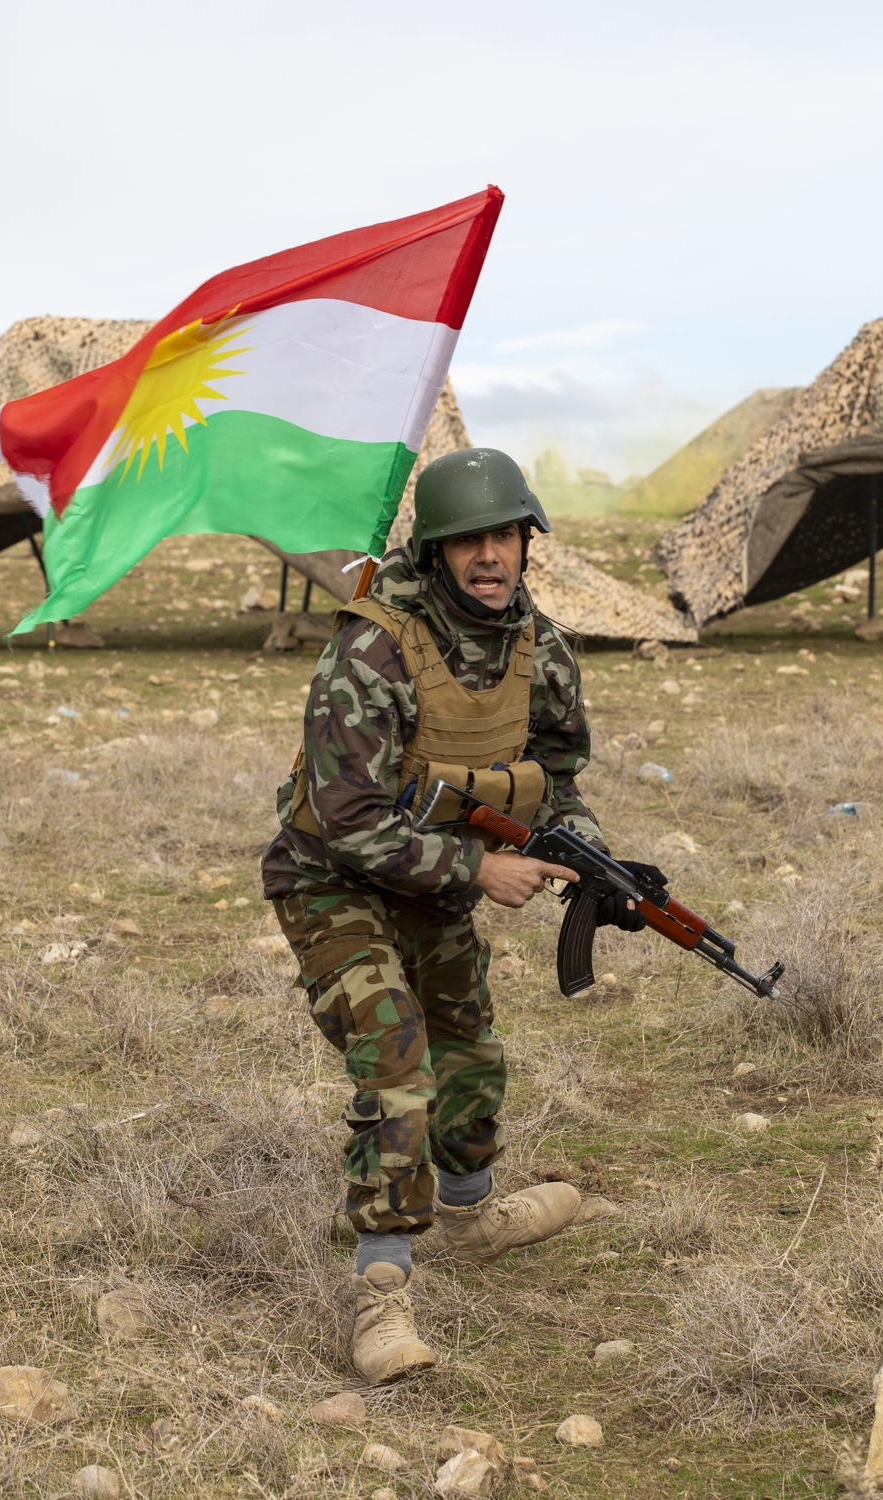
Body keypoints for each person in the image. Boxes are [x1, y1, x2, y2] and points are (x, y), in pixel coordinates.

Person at [262, 448, 661, 1384]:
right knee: (398, 1066)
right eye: (469, 539)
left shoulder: (543, 651)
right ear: (437, 551)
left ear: (528, 541)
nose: (491, 555)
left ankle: (472, 1216)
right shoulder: (371, 649)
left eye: (505, 536)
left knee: (471, 1054)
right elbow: (349, 819)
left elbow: (557, 776)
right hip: (335, 883)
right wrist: (482, 868)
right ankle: (383, 1294)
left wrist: (586, 854)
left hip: (434, 885)